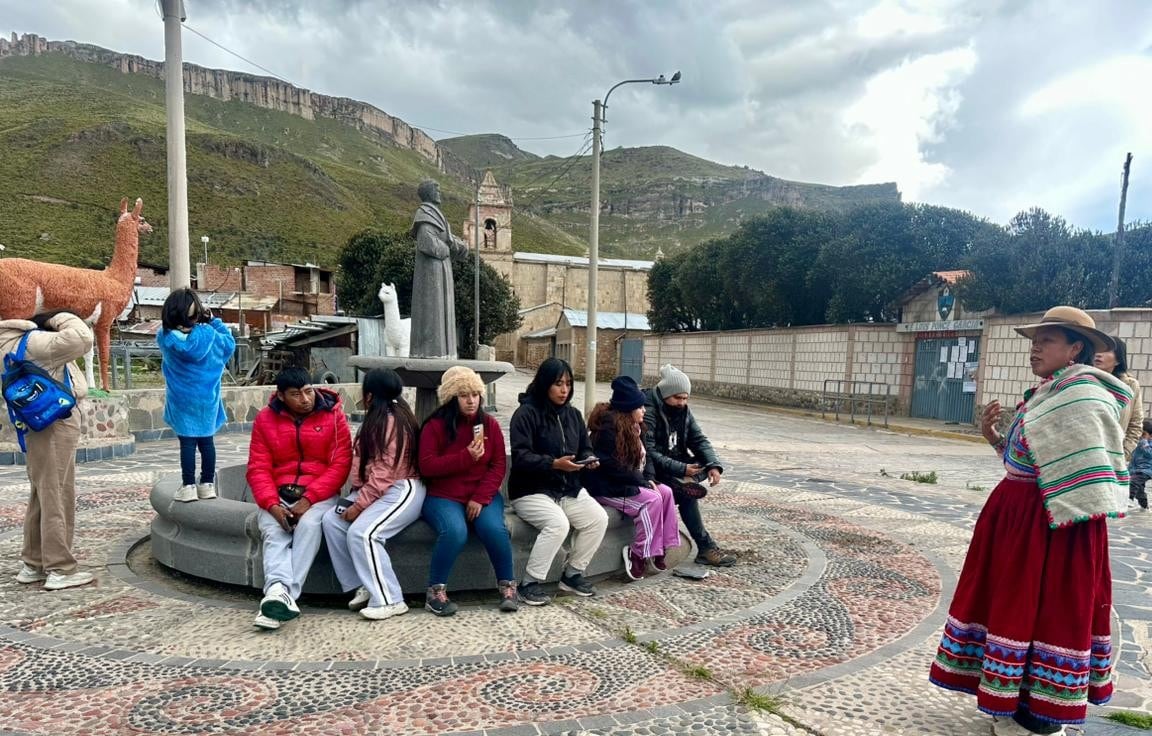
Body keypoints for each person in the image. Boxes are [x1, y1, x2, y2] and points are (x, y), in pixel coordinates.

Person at [929, 306, 1128, 735]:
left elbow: (1083, 473)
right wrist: (994, 438)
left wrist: (1058, 522)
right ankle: (1015, 699)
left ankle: (1039, 715)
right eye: (1034, 340)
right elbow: (1027, 461)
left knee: (1047, 608)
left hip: (1054, 527)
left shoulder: (1082, 397)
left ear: (1076, 348)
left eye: (1048, 340)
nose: (1036, 347)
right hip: (1019, 522)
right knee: (1014, 606)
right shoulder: (1047, 392)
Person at [246, 367, 352, 630]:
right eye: (296, 394)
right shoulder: (265, 420)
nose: (305, 399)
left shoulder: (333, 416)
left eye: (308, 391)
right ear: (281, 396)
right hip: (279, 493)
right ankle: (281, 596)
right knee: (273, 531)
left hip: (318, 494)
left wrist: (310, 498)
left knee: (309, 526)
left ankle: (280, 594)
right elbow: (258, 467)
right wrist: (271, 504)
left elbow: (340, 465)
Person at [321, 369, 424, 620]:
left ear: (369, 395)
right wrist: (355, 497)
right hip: (377, 489)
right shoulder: (377, 417)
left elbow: (386, 469)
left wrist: (360, 505)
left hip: (402, 488)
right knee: (332, 520)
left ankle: (391, 599)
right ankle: (364, 584)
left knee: (364, 533)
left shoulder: (393, 420)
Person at [5, 310, 94, 591]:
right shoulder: (31, 342)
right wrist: (62, 316)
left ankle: (33, 562)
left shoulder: (6, 342)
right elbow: (82, 338)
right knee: (57, 492)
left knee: (42, 492)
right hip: (55, 422)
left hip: (34, 425)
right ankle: (59, 568)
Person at [509, 357, 609, 605]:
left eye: (568, 383)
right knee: (558, 524)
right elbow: (521, 457)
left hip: (567, 488)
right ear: (544, 384)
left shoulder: (573, 415)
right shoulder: (525, 414)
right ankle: (529, 583)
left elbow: (584, 448)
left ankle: (572, 574)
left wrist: (589, 459)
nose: (564, 390)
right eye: (558, 384)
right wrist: (553, 463)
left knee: (598, 518)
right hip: (531, 490)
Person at [418, 366, 516, 615]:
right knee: (454, 531)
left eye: (475, 393)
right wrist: (465, 457)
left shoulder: (490, 425)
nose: (471, 400)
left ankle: (508, 586)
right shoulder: (435, 426)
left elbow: (497, 465)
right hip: (443, 495)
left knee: (494, 529)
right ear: (452, 397)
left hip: (481, 494)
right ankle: (435, 592)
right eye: (464, 394)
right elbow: (426, 466)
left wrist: (481, 498)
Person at [586, 376, 680, 581]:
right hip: (607, 487)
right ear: (628, 409)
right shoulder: (608, 430)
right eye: (640, 407)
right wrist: (643, 482)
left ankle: (660, 547)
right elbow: (613, 466)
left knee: (666, 492)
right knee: (652, 499)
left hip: (629, 482)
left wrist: (650, 479)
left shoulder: (637, 428)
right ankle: (637, 553)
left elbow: (647, 459)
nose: (644, 411)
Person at [642, 364, 735, 567]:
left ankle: (688, 480)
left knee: (702, 464)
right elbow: (648, 453)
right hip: (654, 470)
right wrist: (681, 469)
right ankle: (705, 547)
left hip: (677, 463)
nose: (682, 403)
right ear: (666, 394)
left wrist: (713, 465)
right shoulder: (649, 410)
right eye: (677, 398)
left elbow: (699, 439)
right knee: (688, 495)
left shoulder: (683, 411)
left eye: (685, 398)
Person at [156, 288, 236, 503]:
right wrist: (213, 321)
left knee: (188, 443)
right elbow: (230, 343)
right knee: (207, 442)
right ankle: (207, 485)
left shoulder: (165, 337)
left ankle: (189, 486)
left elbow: (170, 334)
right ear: (197, 313)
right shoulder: (210, 335)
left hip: (181, 400)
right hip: (207, 399)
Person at [409, 179, 469, 358]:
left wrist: (462, 247)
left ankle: (443, 352)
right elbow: (427, 243)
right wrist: (448, 249)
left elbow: (447, 238)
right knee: (432, 310)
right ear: (428, 192)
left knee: (442, 309)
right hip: (431, 272)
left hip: (441, 270)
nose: (440, 192)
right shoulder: (424, 213)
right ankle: (429, 351)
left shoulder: (436, 214)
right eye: (437, 189)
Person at [1095, 337, 1144, 509]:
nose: (1098, 354)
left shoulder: (1130, 385)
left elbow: (1136, 423)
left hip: (1111, 458)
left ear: (1118, 358)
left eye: (1107, 350)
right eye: (1096, 349)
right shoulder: (1084, 379)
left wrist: (1124, 453)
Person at [1128, 418, 1152, 512]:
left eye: (1144, 434)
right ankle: (1144, 507)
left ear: (1151, 435)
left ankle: (1128, 499)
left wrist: (1144, 442)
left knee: (1133, 482)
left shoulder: (1146, 443)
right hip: (1137, 469)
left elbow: (1149, 453)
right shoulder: (1140, 442)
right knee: (1139, 491)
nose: (1141, 436)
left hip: (1146, 470)